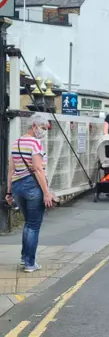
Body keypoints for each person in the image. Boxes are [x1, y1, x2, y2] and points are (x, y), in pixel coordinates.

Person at [6, 113, 56, 272]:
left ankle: (24, 257)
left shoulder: (16, 143)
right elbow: (38, 170)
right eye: (43, 128)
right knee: (33, 226)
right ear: (34, 126)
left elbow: (11, 170)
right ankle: (30, 263)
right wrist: (47, 193)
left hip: (17, 187)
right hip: (33, 186)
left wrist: (8, 192)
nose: (44, 131)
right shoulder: (36, 144)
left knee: (28, 224)